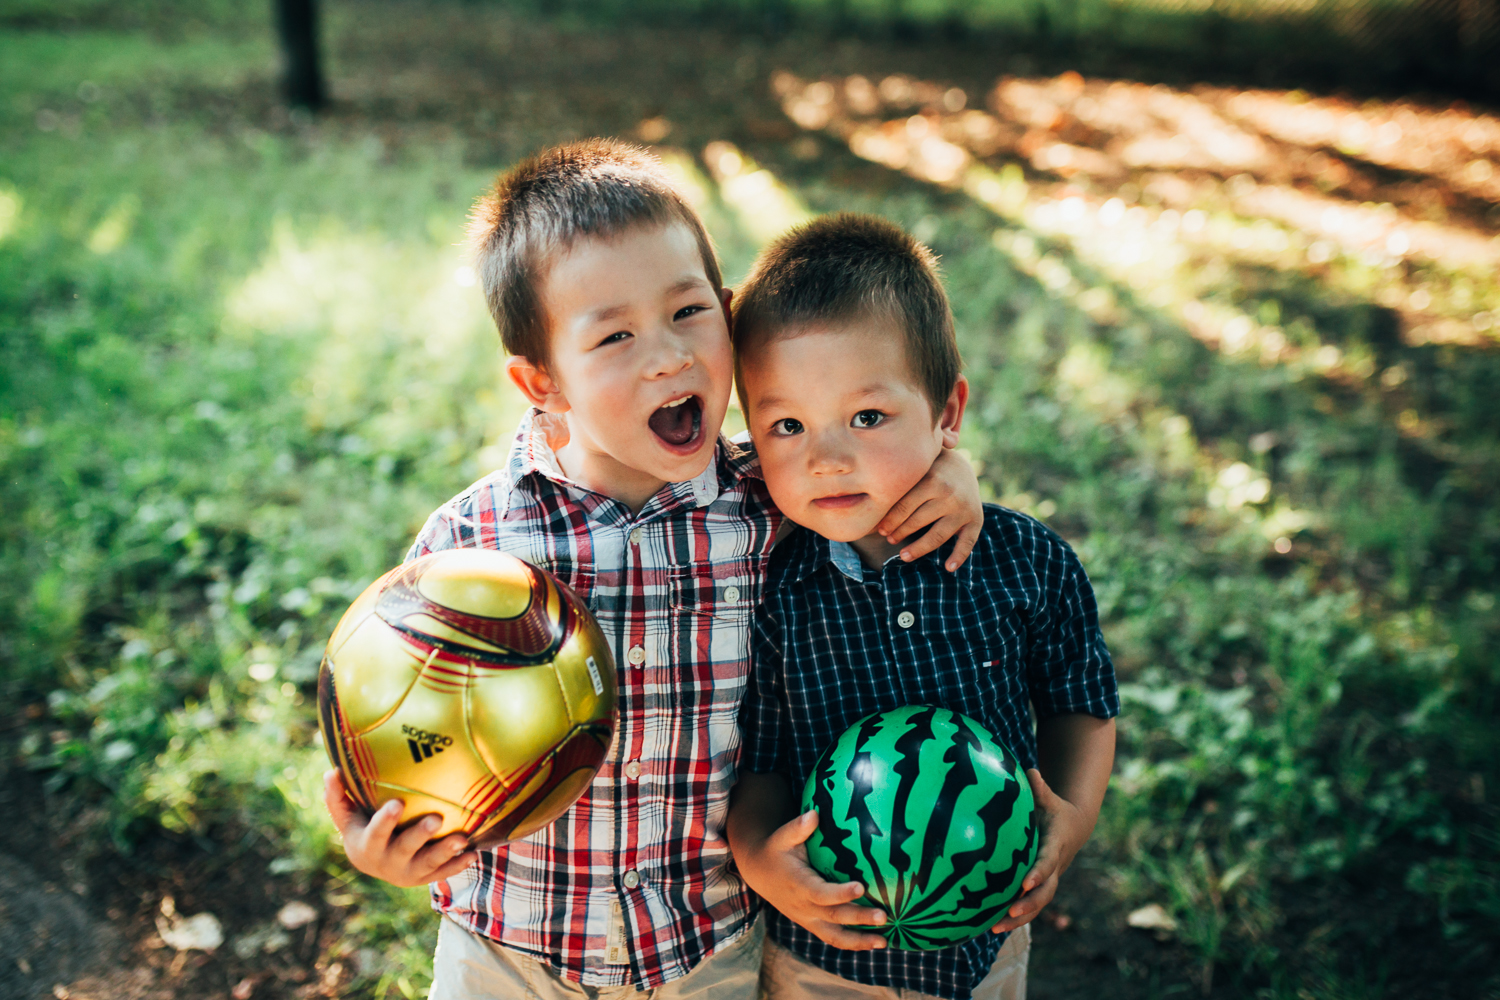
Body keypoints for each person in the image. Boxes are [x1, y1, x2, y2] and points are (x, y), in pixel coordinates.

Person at [320, 140, 987, 999]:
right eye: (616, 336)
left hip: (704, 948)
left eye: (688, 313)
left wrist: (950, 473)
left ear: (731, 310)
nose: (669, 357)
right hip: (510, 950)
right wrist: (380, 840)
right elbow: (392, 710)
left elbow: (879, 487)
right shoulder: (475, 549)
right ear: (541, 381)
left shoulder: (772, 501)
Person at [725, 213, 1119, 1000]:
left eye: (867, 417)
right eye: (787, 425)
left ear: (947, 414)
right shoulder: (768, 589)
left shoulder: (1025, 562)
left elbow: (1081, 702)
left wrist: (1071, 818)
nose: (826, 457)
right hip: (819, 959)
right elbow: (760, 763)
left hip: (986, 943)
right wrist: (761, 859)